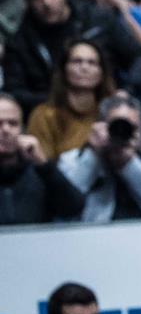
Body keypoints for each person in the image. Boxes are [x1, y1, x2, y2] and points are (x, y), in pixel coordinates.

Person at [10, 0, 141, 112]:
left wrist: (127, 91)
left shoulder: (98, 18)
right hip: (52, 113)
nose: (46, 2)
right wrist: (60, 100)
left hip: (107, 107)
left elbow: (139, 57)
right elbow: (15, 92)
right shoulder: (20, 40)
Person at [57, 92, 141, 221]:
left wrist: (128, 163)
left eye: (132, 128)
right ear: (101, 127)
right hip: (92, 233)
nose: (124, 132)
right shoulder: (71, 160)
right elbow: (62, 206)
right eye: (116, 126)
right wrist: (92, 155)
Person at [25, 38, 117, 161]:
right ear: (64, 69)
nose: (84, 67)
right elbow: (41, 165)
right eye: (77, 61)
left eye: (92, 63)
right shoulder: (44, 115)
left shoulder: (113, 114)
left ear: (102, 72)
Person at [0, 92, 85, 225]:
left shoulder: (40, 171)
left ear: (22, 129)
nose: (6, 130)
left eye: (13, 123)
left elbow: (73, 208)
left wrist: (44, 165)